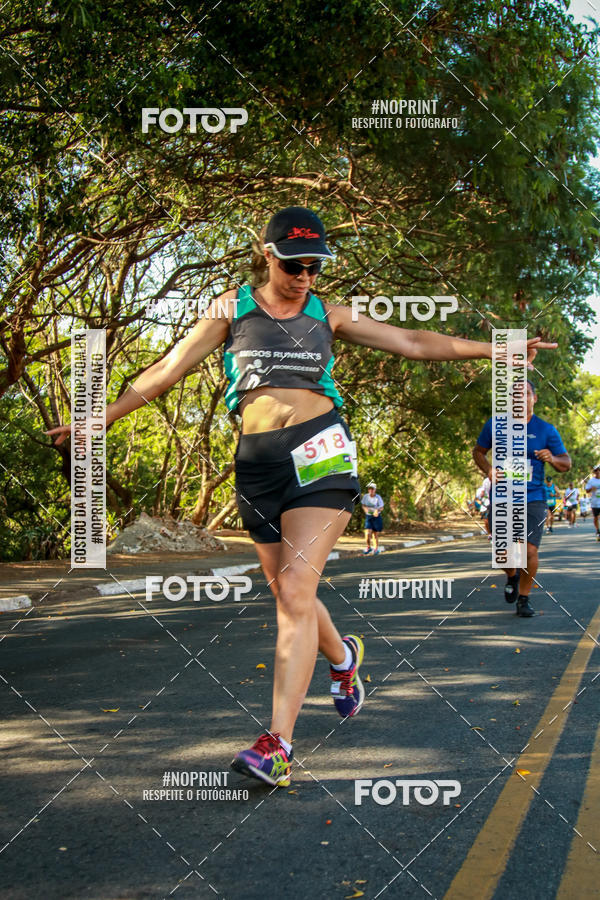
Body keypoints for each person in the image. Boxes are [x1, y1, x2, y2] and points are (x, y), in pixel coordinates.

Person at [47, 206, 557, 785]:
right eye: (294, 265)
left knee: (295, 589)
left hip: (322, 451)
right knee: (287, 590)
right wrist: (100, 418)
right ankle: (343, 660)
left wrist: (495, 350)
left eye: (315, 266)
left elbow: (413, 341)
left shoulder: (328, 314)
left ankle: (278, 746)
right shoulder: (231, 311)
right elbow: (166, 369)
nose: (305, 276)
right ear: (268, 255)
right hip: (256, 464)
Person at [473, 381, 571, 617]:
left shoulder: (546, 430)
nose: (520, 398)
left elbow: (566, 463)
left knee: (529, 552)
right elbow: (478, 451)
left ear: (534, 398)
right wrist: (488, 469)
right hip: (502, 497)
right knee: (503, 552)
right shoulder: (495, 425)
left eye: (525, 394)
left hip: (533, 498)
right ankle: (512, 575)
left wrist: (551, 458)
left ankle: (524, 599)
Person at [361, 482, 384, 554]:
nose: (371, 490)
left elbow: (381, 507)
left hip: (376, 517)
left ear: (375, 490)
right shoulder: (365, 497)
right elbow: (364, 506)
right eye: (369, 489)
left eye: (372, 489)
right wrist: (370, 512)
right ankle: (368, 547)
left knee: (375, 534)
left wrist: (377, 510)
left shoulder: (378, 497)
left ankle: (376, 549)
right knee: (367, 533)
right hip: (369, 517)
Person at [585, 465, 600, 540]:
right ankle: (598, 530)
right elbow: (587, 490)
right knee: (596, 518)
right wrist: (591, 489)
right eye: (596, 470)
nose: (597, 472)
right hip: (595, 503)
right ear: (594, 472)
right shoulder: (591, 481)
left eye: (599, 470)